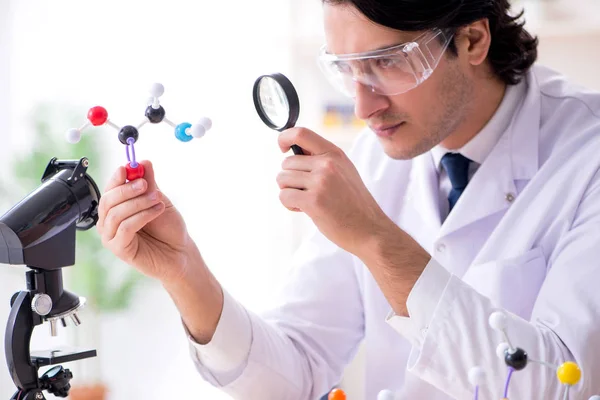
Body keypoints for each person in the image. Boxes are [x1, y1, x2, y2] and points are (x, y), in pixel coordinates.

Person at [96, 0, 600, 398]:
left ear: (471, 38)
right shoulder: (377, 156)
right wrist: (184, 273)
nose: (363, 106)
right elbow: (295, 372)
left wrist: (376, 238)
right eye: (347, 68)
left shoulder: (588, 156)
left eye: (385, 63)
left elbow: (561, 385)